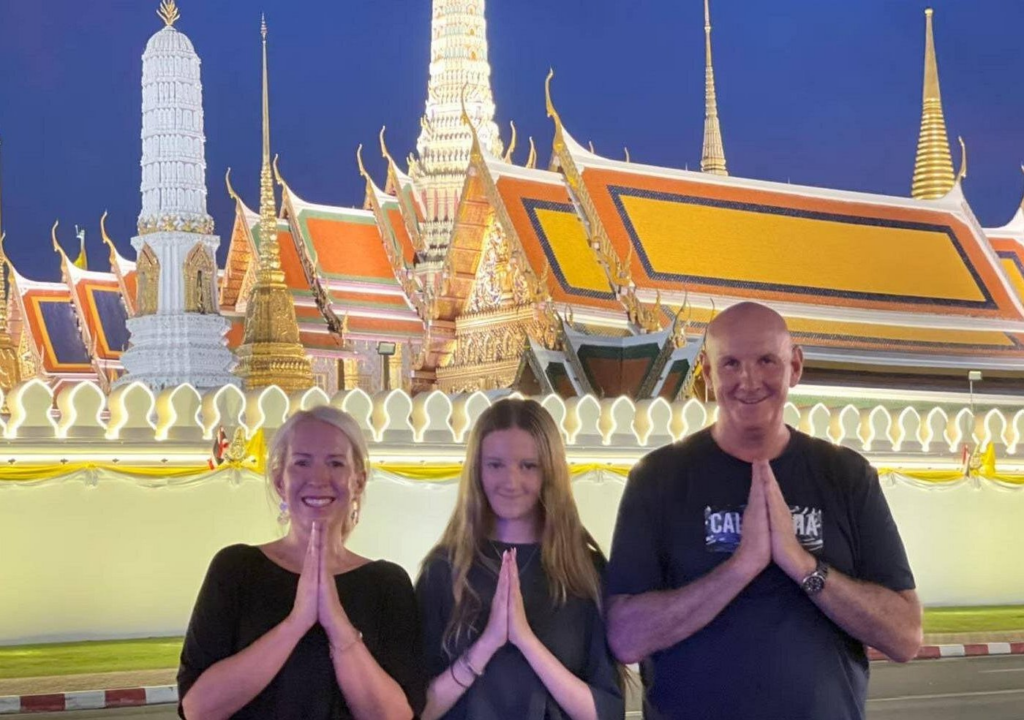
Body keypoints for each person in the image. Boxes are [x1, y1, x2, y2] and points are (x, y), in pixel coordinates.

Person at [604, 301, 922, 720]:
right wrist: (741, 567)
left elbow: (905, 637)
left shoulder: (845, 475)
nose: (749, 380)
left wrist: (803, 565)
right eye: (731, 363)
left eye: (766, 361)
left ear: (795, 366)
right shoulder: (658, 478)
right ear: (707, 373)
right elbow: (625, 638)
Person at [177, 406, 425, 719]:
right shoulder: (236, 570)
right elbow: (197, 708)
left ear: (359, 481)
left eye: (335, 463)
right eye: (302, 462)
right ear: (280, 481)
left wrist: (337, 624)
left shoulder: (387, 584)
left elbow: (396, 715)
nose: (318, 478)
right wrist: (296, 622)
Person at [416, 398, 624, 720]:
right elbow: (417, 710)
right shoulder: (444, 570)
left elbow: (606, 712)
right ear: (477, 470)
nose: (511, 482)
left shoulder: (584, 571)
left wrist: (526, 640)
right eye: (495, 465)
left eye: (528, 466)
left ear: (550, 472)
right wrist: (487, 644)